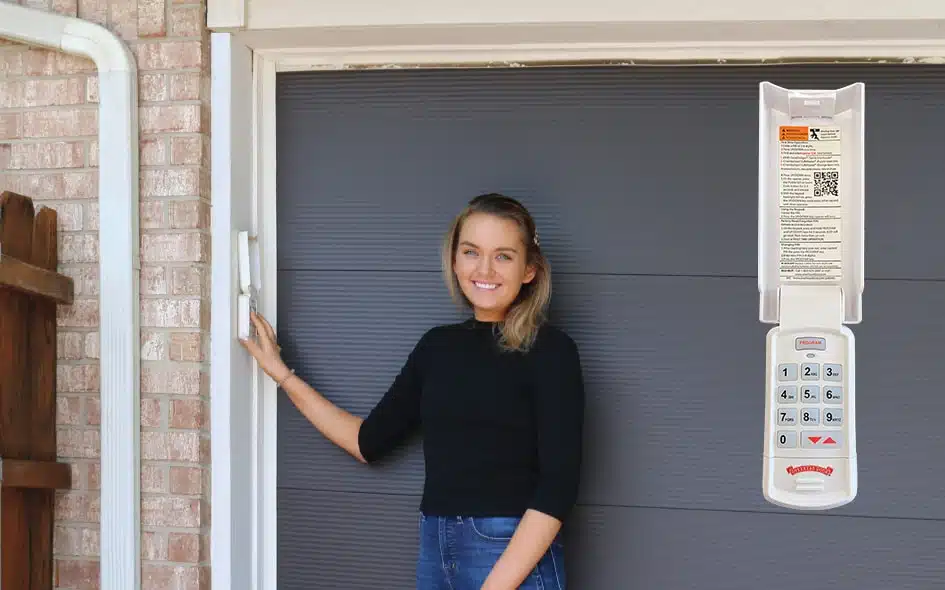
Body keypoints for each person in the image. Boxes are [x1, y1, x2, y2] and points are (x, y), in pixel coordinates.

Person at [241, 193, 586, 590]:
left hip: (511, 557)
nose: (485, 268)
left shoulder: (551, 351)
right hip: (436, 549)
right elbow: (366, 441)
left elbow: (558, 487)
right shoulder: (437, 347)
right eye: (471, 252)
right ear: (455, 260)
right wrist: (281, 374)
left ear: (529, 270)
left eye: (504, 256)